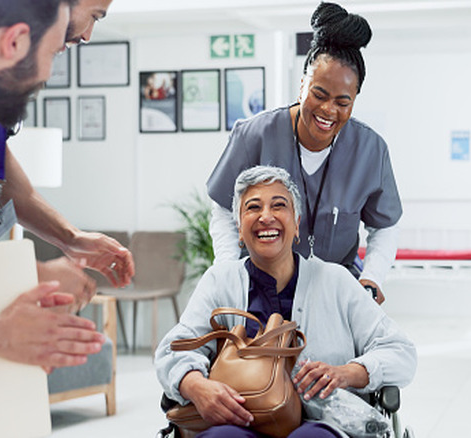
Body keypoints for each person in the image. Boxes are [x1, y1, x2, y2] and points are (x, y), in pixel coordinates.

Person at [156, 165, 416, 438]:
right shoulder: (220, 281)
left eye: (279, 205)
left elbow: (401, 353)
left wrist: (348, 373)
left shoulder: (336, 281)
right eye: (253, 208)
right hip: (240, 420)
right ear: (239, 230)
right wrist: (196, 386)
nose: (266, 216)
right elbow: (172, 351)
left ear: (296, 224)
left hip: (323, 423)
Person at [206, 2, 401, 304]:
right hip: (257, 290)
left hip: (336, 294)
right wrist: (229, 269)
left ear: (355, 99)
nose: (328, 110)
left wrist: (371, 278)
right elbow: (222, 208)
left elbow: (385, 226)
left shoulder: (370, 150)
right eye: (318, 94)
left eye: (342, 102)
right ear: (302, 85)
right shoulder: (254, 135)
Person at [0, 0, 107, 370]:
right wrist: (6, 326)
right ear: (14, 42)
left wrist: (69, 238)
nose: (46, 76)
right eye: (53, 54)